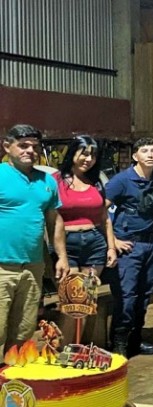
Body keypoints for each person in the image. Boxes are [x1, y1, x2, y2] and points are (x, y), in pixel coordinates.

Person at [0, 124, 69, 355]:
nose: (29, 150)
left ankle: (12, 383)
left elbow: (54, 221)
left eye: (34, 146)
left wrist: (61, 257)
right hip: (2, 267)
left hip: (33, 267)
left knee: (24, 330)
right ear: (7, 147)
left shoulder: (47, 181)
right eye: (23, 145)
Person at [106, 137, 153, 357]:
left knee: (145, 294)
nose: (151, 155)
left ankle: (136, 338)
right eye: (145, 151)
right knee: (127, 296)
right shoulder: (122, 180)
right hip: (129, 245)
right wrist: (113, 241)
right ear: (135, 155)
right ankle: (119, 341)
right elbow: (99, 211)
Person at [52, 135, 116, 345]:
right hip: (67, 244)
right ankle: (63, 351)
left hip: (95, 243)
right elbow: (50, 217)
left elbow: (104, 217)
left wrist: (111, 247)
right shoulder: (56, 180)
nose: (88, 159)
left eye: (93, 155)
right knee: (71, 300)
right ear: (72, 154)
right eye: (84, 153)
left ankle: (81, 349)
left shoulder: (97, 181)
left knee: (87, 300)